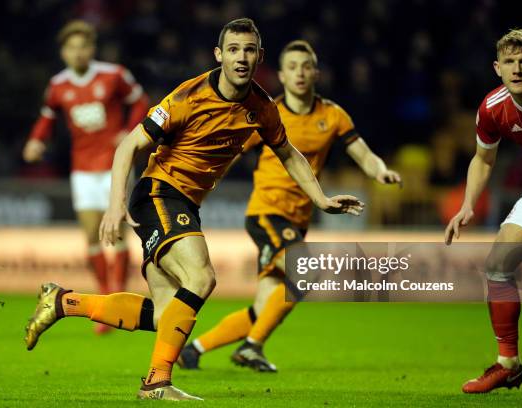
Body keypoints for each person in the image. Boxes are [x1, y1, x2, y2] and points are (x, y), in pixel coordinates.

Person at [24, 18, 364, 401]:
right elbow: (127, 147)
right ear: (219, 55)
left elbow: (288, 153)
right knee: (201, 277)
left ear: (259, 57)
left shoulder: (262, 107)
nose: (241, 57)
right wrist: (114, 203)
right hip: (158, 192)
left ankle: (62, 302)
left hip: (186, 203)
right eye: (233, 49)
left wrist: (320, 199)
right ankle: (156, 383)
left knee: (166, 314)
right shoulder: (188, 97)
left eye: (249, 50)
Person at [177, 40, 401, 372]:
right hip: (266, 211)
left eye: (306, 66)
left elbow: (362, 153)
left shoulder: (333, 115)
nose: (300, 72)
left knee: (265, 306)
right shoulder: (267, 114)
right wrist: (197, 184)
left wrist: (380, 171)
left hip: (298, 219)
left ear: (316, 73)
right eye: (292, 67)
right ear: (281, 75)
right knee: (305, 271)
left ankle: (194, 350)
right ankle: (252, 348)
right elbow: (227, 153)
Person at [22, 20, 149, 333]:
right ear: (63, 52)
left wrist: (128, 133)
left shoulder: (113, 75)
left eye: (83, 47)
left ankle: (115, 297)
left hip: (113, 165)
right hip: (82, 168)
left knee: (115, 229)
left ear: (91, 49)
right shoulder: (58, 85)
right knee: (91, 235)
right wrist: (36, 139)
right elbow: (47, 117)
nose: (78, 53)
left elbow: (140, 101)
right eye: (71, 48)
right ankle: (105, 296)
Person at [444, 29, 522, 394]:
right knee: (498, 266)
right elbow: (484, 159)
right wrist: (467, 205)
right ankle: (508, 366)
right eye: (510, 62)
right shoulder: (494, 107)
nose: (517, 69)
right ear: (497, 68)